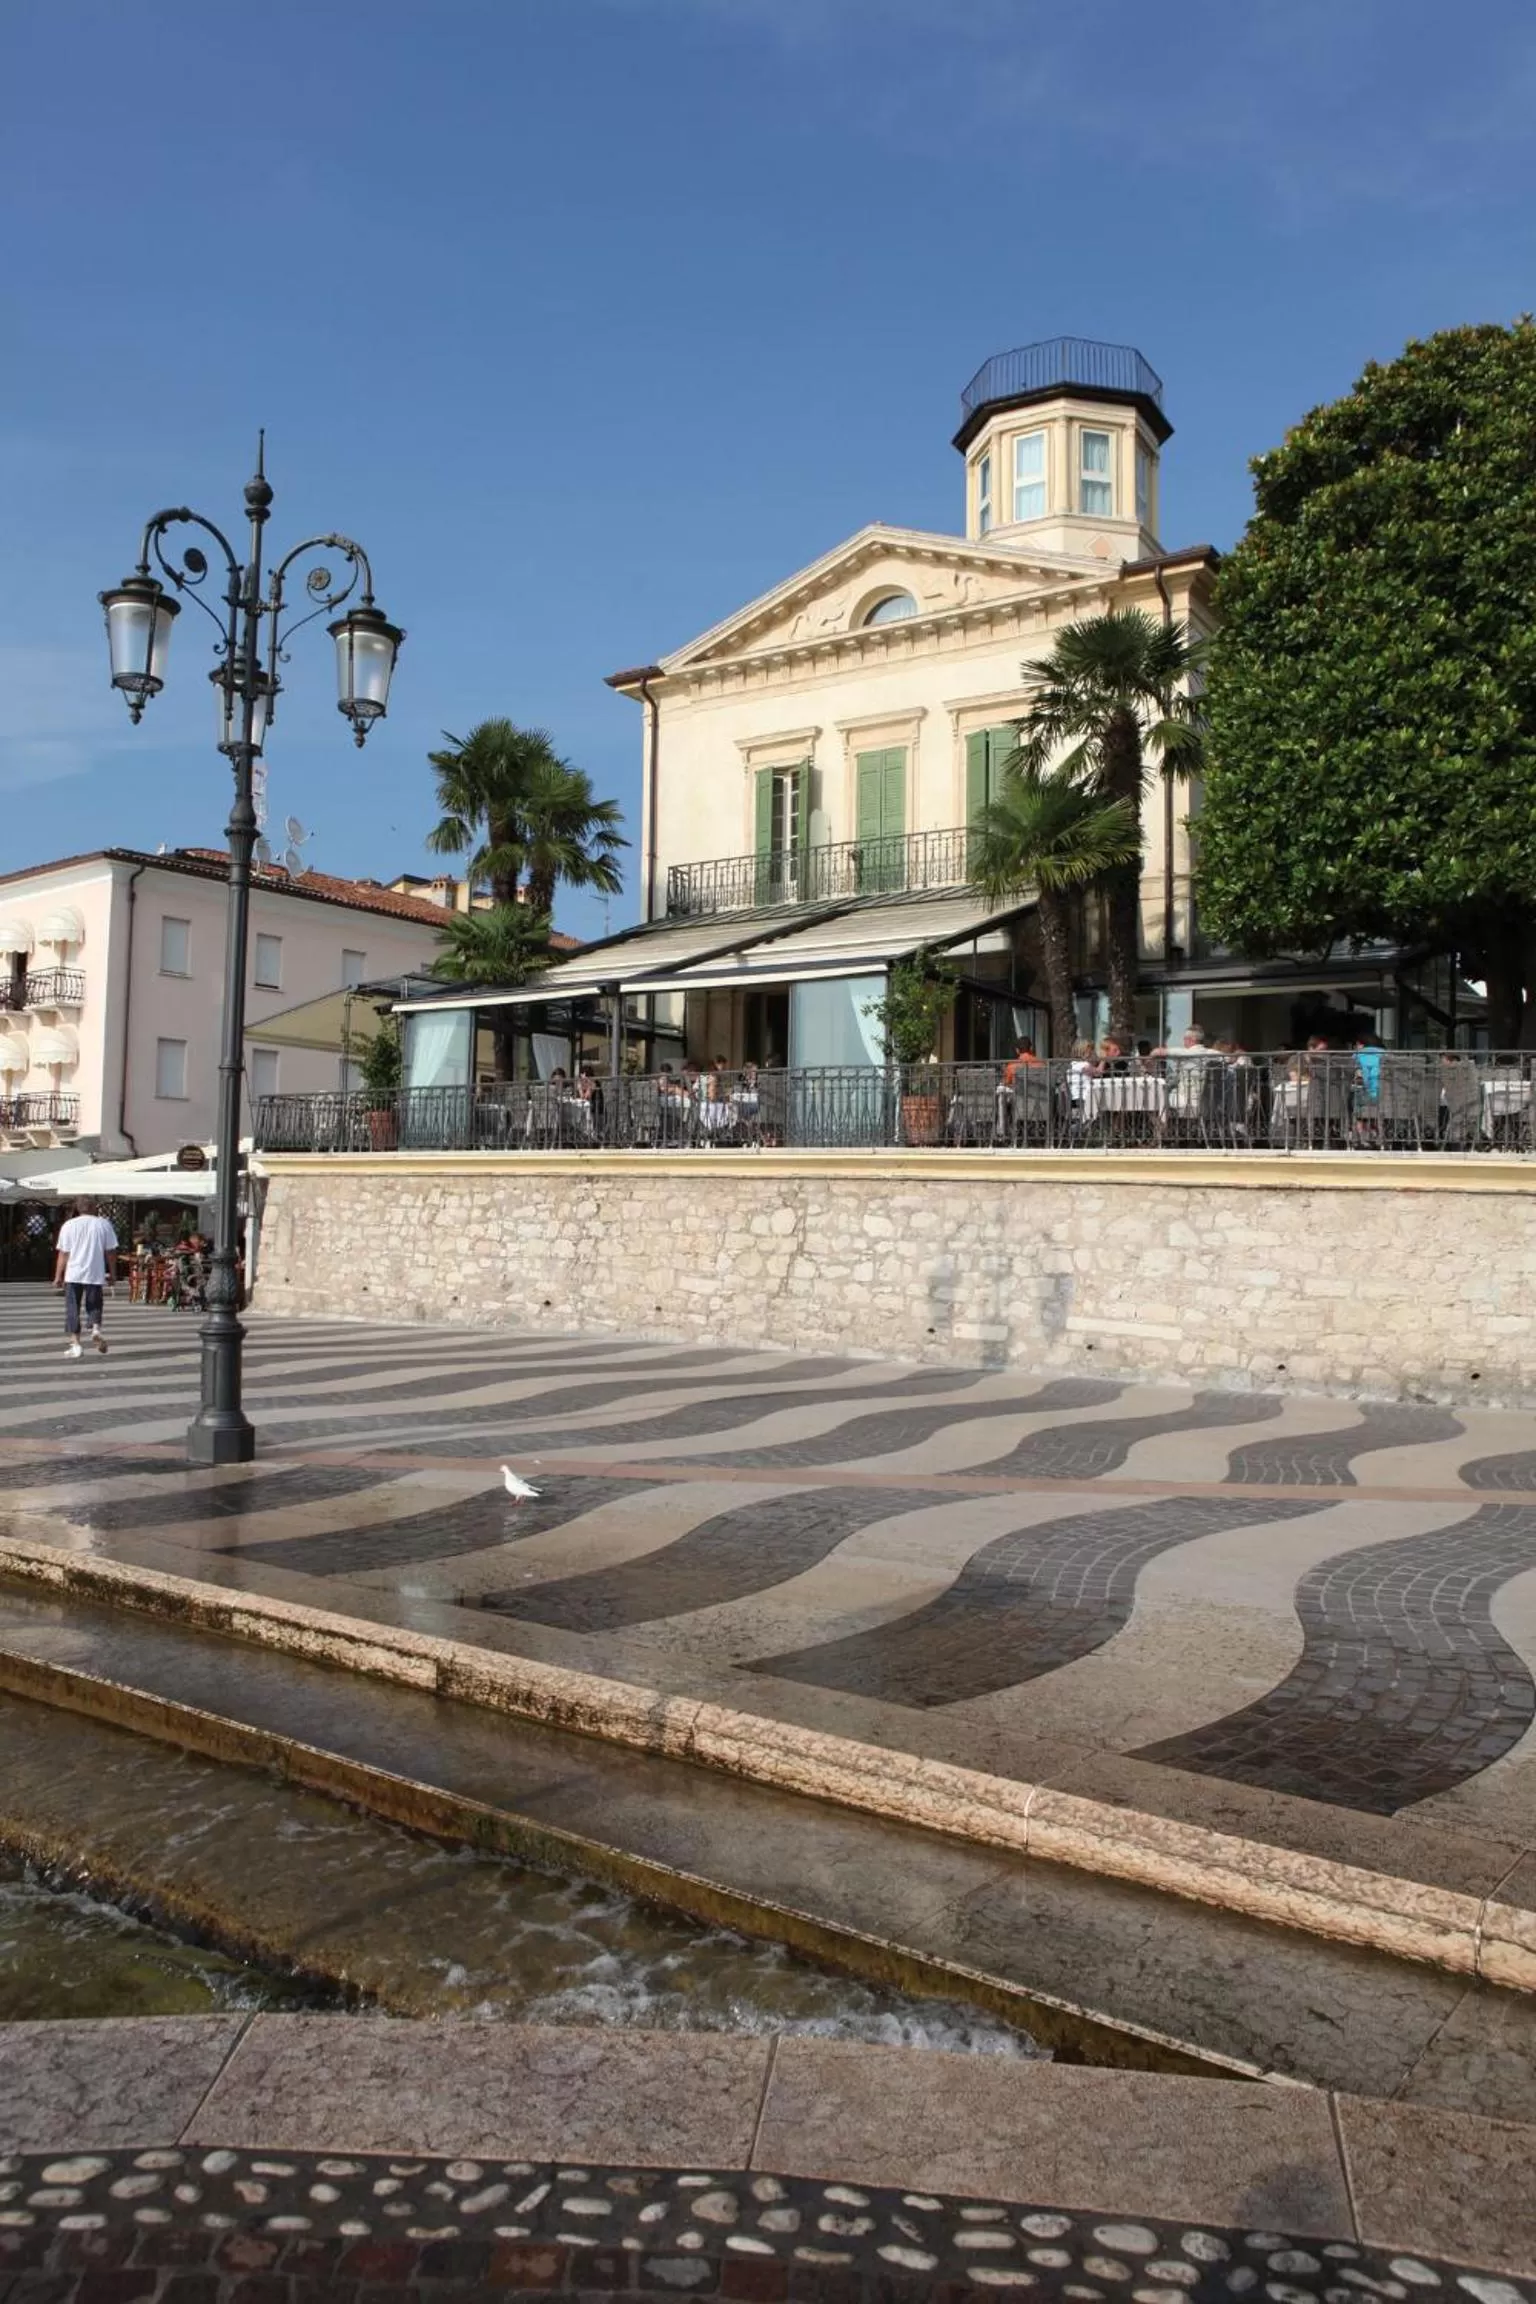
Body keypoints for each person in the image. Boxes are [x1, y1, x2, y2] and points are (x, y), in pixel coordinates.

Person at [52, 1197, 118, 1358]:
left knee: (72, 1308)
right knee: (95, 1304)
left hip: (73, 1273)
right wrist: (113, 1274)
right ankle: (95, 1329)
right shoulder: (104, 1224)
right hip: (95, 1272)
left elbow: (63, 1253)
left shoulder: (69, 1225)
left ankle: (76, 1345)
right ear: (94, 1207)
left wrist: (58, 1276)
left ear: (78, 1208)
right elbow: (110, 1252)